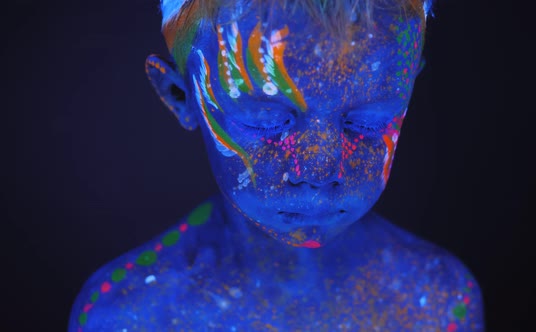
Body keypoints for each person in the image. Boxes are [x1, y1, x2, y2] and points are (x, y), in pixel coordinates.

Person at [69, 0, 484, 330]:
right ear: (181, 97)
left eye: (368, 121)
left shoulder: (441, 300)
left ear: (409, 90)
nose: (320, 171)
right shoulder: (126, 317)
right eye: (263, 120)